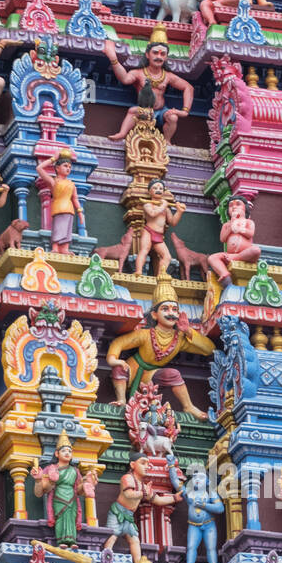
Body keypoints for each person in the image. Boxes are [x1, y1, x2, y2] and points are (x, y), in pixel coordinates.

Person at [107, 270, 215, 419]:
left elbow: (210, 349)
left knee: (174, 374)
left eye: (175, 309)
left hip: (151, 375)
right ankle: (122, 400)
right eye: (165, 309)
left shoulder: (180, 339)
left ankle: (188, 406)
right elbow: (119, 343)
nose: (171, 313)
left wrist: (189, 331)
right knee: (119, 367)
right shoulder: (145, 334)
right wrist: (113, 360)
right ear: (154, 314)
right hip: (133, 370)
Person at [105, 28, 194, 144]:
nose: (159, 57)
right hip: (146, 111)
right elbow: (125, 79)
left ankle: (167, 141)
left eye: (163, 54)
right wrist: (113, 58)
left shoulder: (168, 76)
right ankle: (122, 133)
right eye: (155, 53)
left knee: (173, 118)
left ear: (166, 57)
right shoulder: (139, 73)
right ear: (147, 54)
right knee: (133, 110)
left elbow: (188, 88)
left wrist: (185, 111)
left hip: (162, 112)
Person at [31, 431, 96, 549]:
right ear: (57, 453)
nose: (67, 453)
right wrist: (39, 480)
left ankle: (72, 540)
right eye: (64, 451)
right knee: (61, 516)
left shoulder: (74, 471)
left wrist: (87, 483)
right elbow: (39, 492)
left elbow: (78, 489)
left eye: (70, 451)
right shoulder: (52, 469)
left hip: (72, 496)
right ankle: (62, 540)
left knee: (71, 517)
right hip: (59, 496)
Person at [168, 458, 224, 563]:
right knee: (191, 546)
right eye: (194, 477)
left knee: (211, 548)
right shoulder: (189, 493)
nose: (197, 479)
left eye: (201, 477)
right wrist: (171, 465)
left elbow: (220, 508)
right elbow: (175, 481)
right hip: (193, 525)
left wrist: (204, 506)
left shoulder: (210, 493)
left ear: (208, 481)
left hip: (209, 525)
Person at [35, 148, 85, 254]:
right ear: (57, 168)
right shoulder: (54, 182)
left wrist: (80, 212)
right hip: (58, 208)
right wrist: (53, 158)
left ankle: (65, 248)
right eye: (65, 166)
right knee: (58, 228)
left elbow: (75, 198)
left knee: (67, 230)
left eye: (70, 167)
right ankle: (55, 247)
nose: (68, 169)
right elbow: (39, 168)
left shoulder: (71, 184)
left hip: (69, 209)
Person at [134, 179, 186, 275]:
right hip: (148, 231)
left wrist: (179, 212)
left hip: (159, 235)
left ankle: (160, 275)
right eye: (155, 188)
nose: (158, 190)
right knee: (144, 250)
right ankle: (138, 271)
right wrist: (163, 205)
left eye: (161, 188)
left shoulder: (166, 209)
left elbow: (173, 222)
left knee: (167, 256)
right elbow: (152, 214)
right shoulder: (148, 204)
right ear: (150, 191)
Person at [208, 197, 261, 287]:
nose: (234, 207)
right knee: (212, 258)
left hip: (244, 254)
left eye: (238, 204)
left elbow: (250, 234)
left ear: (246, 208)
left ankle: (236, 257)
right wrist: (231, 226)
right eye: (231, 205)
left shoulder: (248, 222)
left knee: (256, 250)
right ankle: (224, 274)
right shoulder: (227, 225)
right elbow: (223, 239)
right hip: (229, 254)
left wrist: (239, 229)